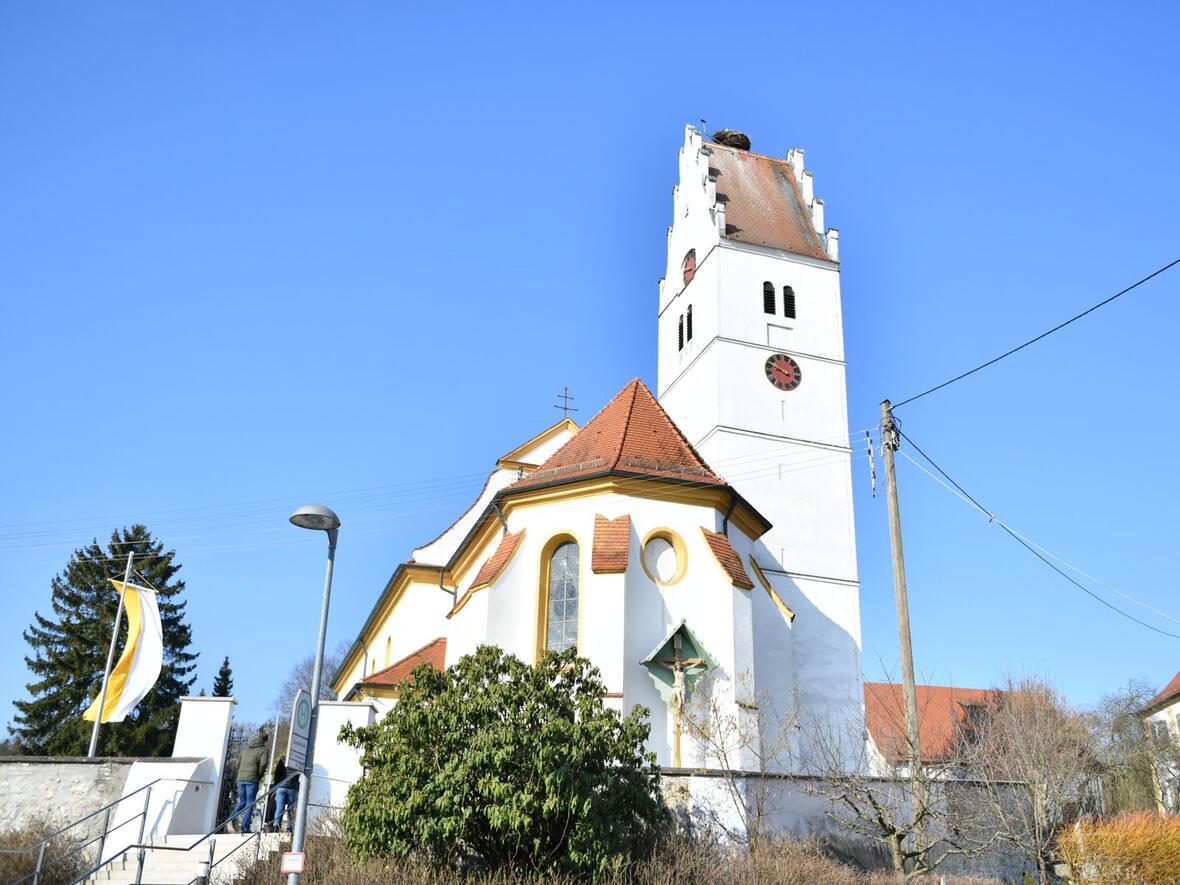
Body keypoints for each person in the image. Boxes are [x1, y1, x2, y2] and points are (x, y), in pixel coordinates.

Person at [229, 731, 269, 832]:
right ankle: (245, 828)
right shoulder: (264, 749)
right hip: (252, 779)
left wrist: (240, 772)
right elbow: (263, 763)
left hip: (241, 778)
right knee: (249, 803)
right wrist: (259, 775)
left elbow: (238, 763)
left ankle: (229, 820)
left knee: (242, 801)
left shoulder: (246, 748)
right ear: (265, 740)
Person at [270, 754, 300, 833]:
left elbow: (277, 773)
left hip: (281, 787)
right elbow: (299, 774)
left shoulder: (282, 759)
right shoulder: (297, 759)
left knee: (279, 807)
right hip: (292, 788)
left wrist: (277, 784)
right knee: (291, 809)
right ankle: (289, 828)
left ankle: (276, 825)